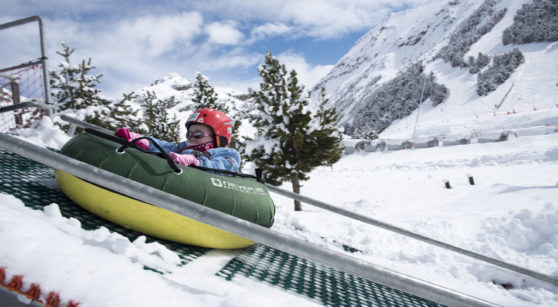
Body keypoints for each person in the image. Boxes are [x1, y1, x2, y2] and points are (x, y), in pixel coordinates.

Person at [114, 108, 240, 172]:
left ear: (218, 139)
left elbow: (222, 166)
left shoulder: (228, 155)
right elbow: (166, 147)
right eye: (188, 134)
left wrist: (197, 161)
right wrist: (140, 140)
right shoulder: (184, 148)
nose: (191, 137)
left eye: (197, 134)